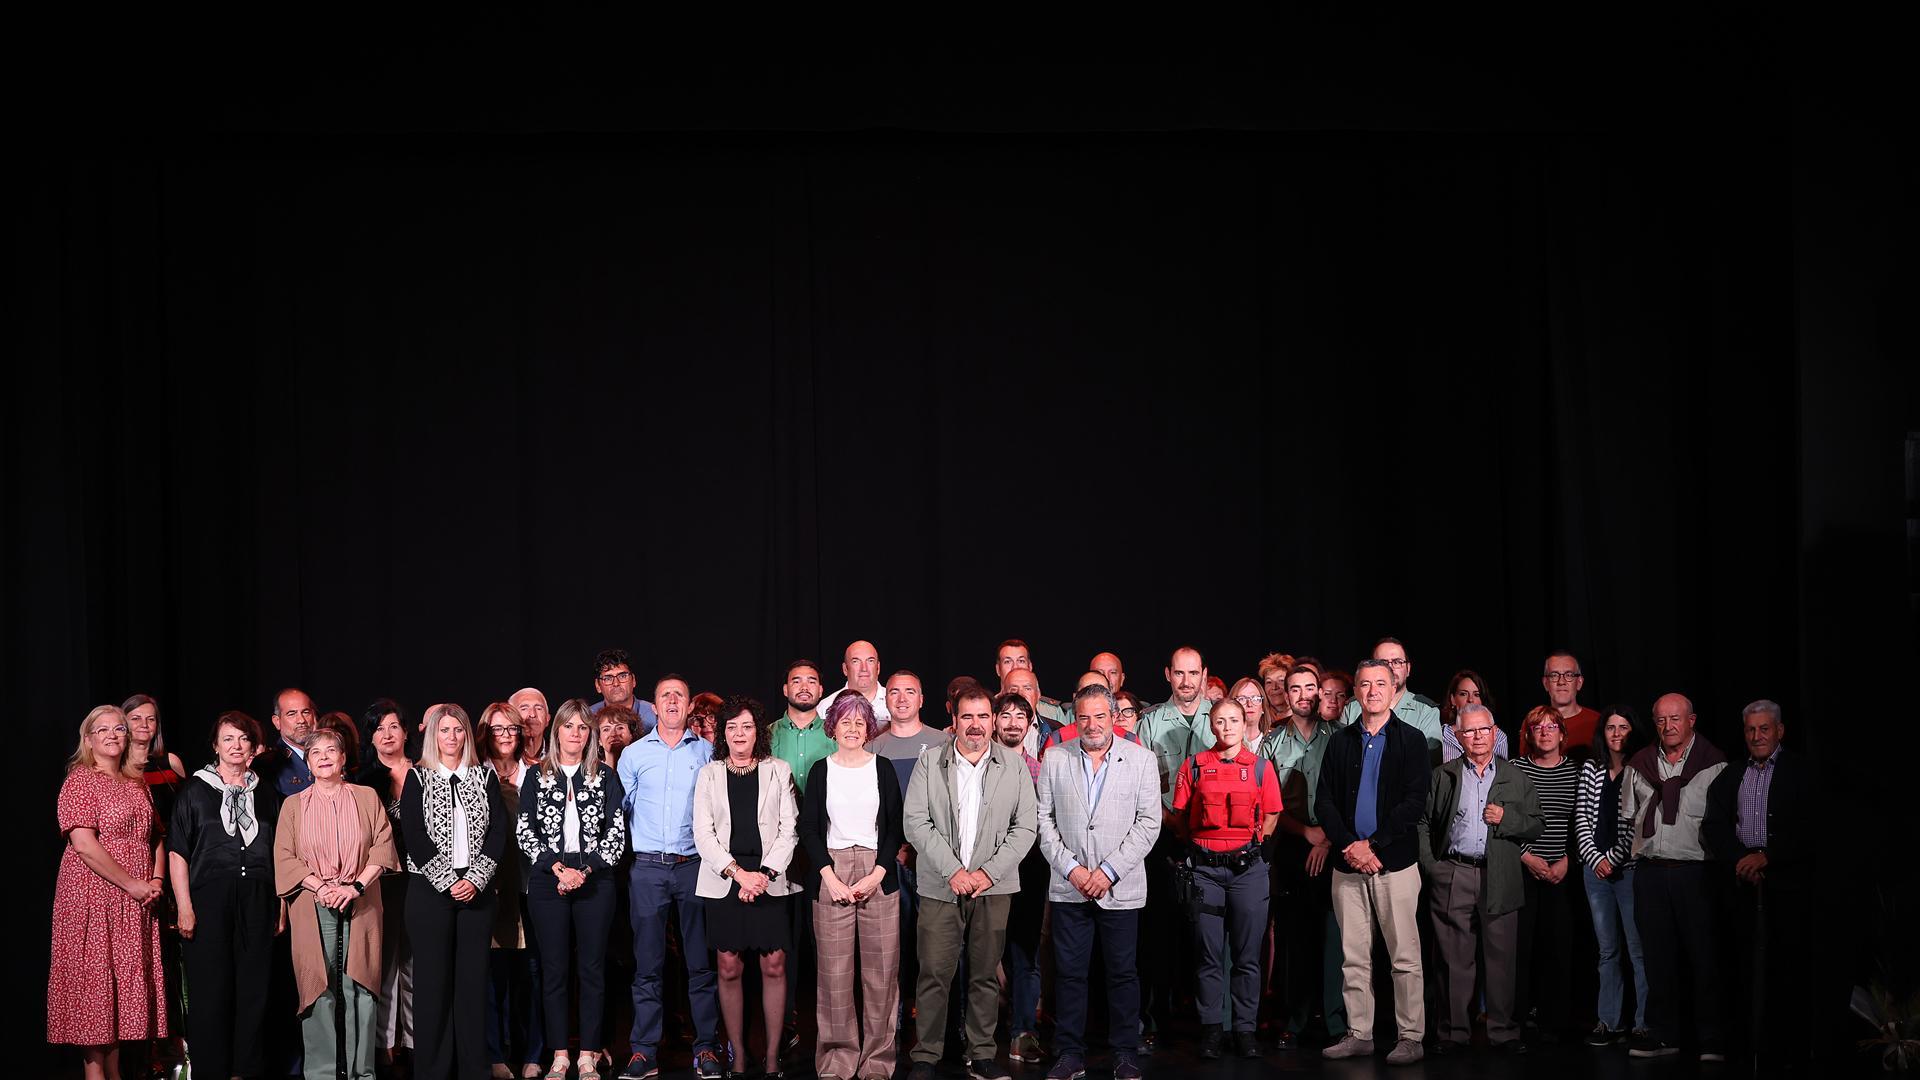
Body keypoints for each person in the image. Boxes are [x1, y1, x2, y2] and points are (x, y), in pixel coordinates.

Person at [901, 685, 1038, 1080]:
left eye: (982, 717)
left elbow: (1025, 828)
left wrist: (986, 873)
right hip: (940, 885)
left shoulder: (1012, 766)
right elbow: (916, 821)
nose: (975, 726)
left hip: (993, 888)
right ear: (955, 720)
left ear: (992, 721)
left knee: (984, 975)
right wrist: (954, 872)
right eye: (967, 717)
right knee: (933, 975)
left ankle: (981, 1054)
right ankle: (925, 1055)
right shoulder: (931, 763)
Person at [1035, 684, 1162, 1080]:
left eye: (1100, 716)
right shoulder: (1054, 758)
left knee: (1122, 973)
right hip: (1069, 886)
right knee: (1070, 975)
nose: (1092, 724)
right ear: (1075, 720)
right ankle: (1069, 1053)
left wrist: (1107, 872)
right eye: (1084, 716)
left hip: (1119, 888)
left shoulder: (1141, 760)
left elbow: (1148, 823)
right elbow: (1044, 822)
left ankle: (1124, 1052)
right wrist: (1073, 870)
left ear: (1113, 718)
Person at [1315, 658, 1430, 1065]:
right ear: (1357, 691)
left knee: (1404, 957)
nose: (1373, 691)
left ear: (1393, 686)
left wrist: (1374, 846)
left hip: (1394, 865)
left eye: (1380, 683)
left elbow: (1414, 803)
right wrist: (1350, 846)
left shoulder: (1412, 740)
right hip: (1348, 866)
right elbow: (1324, 801)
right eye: (1365, 684)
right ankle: (1359, 1033)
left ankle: (1411, 1036)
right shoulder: (1341, 741)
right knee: (1354, 956)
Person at [49, 705, 171, 1080]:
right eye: (102, 730)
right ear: (88, 739)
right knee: (95, 989)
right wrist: (133, 883)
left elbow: (156, 838)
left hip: (133, 901)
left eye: (119, 728)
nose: (114, 735)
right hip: (93, 897)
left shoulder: (135, 782)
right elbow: (84, 844)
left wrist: (156, 881)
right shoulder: (81, 779)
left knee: (117, 1004)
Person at [274, 726, 400, 1080]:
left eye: (331, 751)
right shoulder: (293, 805)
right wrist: (321, 887)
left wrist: (354, 886)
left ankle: (362, 1072)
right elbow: (284, 857)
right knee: (318, 985)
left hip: (361, 899)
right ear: (309, 762)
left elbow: (382, 846)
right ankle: (322, 1073)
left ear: (343, 758)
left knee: (360, 985)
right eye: (317, 753)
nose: (325, 758)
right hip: (313, 902)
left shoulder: (366, 797)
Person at [1418, 704, 1542, 1055]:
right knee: (1454, 960)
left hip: (1500, 875)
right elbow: (1423, 823)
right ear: (1458, 736)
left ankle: (1503, 1034)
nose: (1476, 737)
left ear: (1494, 732)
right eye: (1469, 731)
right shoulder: (1443, 774)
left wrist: (1506, 818)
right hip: (1454, 873)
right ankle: (1454, 1034)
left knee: (1502, 960)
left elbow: (1536, 823)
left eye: (1483, 730)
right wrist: (1434, 867)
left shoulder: (1515, 776)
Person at [617, 675, 724, 1080]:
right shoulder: (633, 754)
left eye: (680, 695)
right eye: (666, 696)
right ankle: (644, 1051)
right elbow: (619, 813)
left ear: (687, 705)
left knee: (700, 964)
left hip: (695, 866)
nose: (674, 701)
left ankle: (706, 1048)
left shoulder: (709, 753)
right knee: (647, 965)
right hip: (647, 867)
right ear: (655, 706)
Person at [517, 699, 628, 1080]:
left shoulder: (604, 777)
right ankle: (560, 1054)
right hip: (550, 882)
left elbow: (616, 834)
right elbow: (525, 832)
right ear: (556, 731)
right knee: (554, 971)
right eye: (569, 727)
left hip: (595, 881)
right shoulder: (536, 777)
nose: (576, 734)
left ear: (590, 735)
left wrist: (583, 871)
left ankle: (588, 1054)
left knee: (593, 969)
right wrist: (559, 869)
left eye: (583, 728)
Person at [169, 711, 283, 1080]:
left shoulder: (266, 792)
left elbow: (281, 851)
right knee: (211, 991)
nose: (236, 746)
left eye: (243, 739)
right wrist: (184, 906)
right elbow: (177, 853)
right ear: (216, 746)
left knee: (254, 991)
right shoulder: (195, 791)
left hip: (258, 898)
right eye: (228, 739)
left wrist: (281, 904)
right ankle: (211, 1070)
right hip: (208, 899)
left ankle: (245, 1070)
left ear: (253, 747)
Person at [1617, 693, 1729, 1062]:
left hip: (1695, 873)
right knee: (1657, 958)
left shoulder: (1714, 765)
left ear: (1691, 720)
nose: (1668, 727)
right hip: (1650, 872)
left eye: (1675, 719)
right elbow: (1628, 818)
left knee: (1703, 957)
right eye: (1661, 720)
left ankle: (1711, 1037)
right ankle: (1665, 1035)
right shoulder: (1640, 763)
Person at [1170, 697, 1283, 1059]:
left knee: (1247, 955)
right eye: (1220, 721)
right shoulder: (1195, 766)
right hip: (1204, 870)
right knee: (1208, 954)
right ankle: (1212, 1029)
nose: (1227, 727)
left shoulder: (1262, 768)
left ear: (1244, 720)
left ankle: (1245, 1030)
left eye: (1234, 720)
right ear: (1211, 725)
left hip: (1248, 871)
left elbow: (1271, 815)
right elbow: (1180, 817)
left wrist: (1252, 847)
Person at [799, 693, 905, 1080]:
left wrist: (878, 873)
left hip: (878, 870)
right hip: (832, 870)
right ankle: (837, 1059)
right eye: (846, 721)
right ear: (833, 726)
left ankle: (878, 1061)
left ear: (868, 728)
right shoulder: (820, 770)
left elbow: (895, 827)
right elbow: (808, 829)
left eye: (860, 722)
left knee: (881, 974)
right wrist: (829, 876)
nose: (853, 729)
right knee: (834, 975)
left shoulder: (883, 768)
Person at [402, 703, 510, 1080]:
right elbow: (413, 834)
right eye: (444, 730)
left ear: (467, 735)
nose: (451, 737)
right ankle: (432, 1071)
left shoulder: (484, 777)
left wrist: (476, 879)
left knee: (472, 984)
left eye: (458, 730)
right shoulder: (418, 778)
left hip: (477, 892)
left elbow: (498, 833)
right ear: (433, 736)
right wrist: (447, 879)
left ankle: (473, 1069)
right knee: (432, 984)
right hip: (430, 892)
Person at [692, 697, 798, 1080]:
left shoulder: (778, 770)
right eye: (732, 727)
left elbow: (790, 829)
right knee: (728, 966)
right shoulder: (709, 774)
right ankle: (736, 1054)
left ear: (759, 732)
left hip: (769, 876)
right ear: (723, 733)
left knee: (774, 964)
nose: (739, 734)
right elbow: (702, 834)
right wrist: (739, 874)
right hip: (726, 878)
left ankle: (771, 1058)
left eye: (747, 726)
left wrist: (763, 875)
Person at [1705, 699, 1814, 1067]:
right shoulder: (1733, 773)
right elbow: (1714, 825)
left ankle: (1786, 1049)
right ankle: (1744, 1046)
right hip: (1741, 885)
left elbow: (1811, 827)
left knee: (1787, 970)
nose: (1757, 736)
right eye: (1751, 730)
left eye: (1764, 729)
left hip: (1787, 885)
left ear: (1779, 731)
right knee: (1741, 968)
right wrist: (1740, 859)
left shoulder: (1801, 771)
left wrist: (1769, 857)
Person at [1259, 665, 1342, 1050]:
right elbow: (1268, 804)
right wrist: (1306, 833)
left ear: (1321, 692)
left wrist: (1325, 840)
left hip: (1336, 845)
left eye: (1312, 687)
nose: (1304, 694)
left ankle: (1335, 1020)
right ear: (1286, 695)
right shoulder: (1272, 743)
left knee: (1335, 937)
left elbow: (1349, 794)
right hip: (1292, 846)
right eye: (1295, 688)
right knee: (1293, 938)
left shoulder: (1341, 738)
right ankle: (1293, 1018)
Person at [868, 669, 947, 1030]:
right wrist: (895, 849)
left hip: (933, 858)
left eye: (909, 692)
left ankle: (938, 1024)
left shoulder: (941, 743)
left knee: (934, 946)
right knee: (891, 948)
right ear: (886, 700)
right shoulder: (873, 748)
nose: (901, 698)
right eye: (895, 692)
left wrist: (922, 847)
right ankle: (893, 1023)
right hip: (887, 861)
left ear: (921, 699)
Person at [1574, 705, 1649, 1046]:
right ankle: (1609, 1020)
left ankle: (1643, 1022)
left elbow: (1637, 823)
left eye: (1623, 727)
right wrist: (1596, 860)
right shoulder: (1591, 767)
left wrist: (1614, 859)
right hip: (1596, 873)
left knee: (1637, 949)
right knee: (1607, 951)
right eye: (1610, 728)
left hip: (1629, 871)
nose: (1617, 733)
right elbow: (1582, 820)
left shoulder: (1641, 767)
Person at [1512, 705, 1587, 1044]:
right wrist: (1526, 856)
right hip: (1522, 869)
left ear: (1562, 734)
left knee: (1559, 946)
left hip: (1562, 871)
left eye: (1551, 727)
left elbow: (1583, 824)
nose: (1544, 732)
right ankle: (1519, 1015)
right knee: (1521, 947)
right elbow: (1499, 823)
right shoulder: (1514, 769)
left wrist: (1568, 861)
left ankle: (1555, 1019)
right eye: (1537, 727)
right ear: (1528, 734)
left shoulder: (1575, 772)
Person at [123, 693, 188, 1076]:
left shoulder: (171, 763)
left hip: (173, 866)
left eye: (151, 719)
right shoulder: (116, 769)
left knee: (172, 961)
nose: (144, 726)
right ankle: (144, 1056)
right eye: (136, 719)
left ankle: (177, 1051)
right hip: (133, 869)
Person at [478, 704, 543, 1079]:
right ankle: (495, 1054)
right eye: (498, 728)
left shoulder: (535, 775)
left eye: (512, 729)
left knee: (532, 973)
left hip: (531, 887)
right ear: (485, 731)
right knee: (493, 974)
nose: (505, 735)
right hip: (491, 888)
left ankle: (532, 1053)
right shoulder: (474, 776)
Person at [355, 698, 417, 1074]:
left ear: (406, 732)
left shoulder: (425, 773)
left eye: (394, 726)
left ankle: (412, 1040)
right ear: (371, 736)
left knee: (415, 962)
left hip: (423, 879)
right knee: (384, 964)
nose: (387, 734)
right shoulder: (363, 780)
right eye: (379, 728)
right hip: (381, 879)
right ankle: (384, 1043)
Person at [992, 692, 1049, 1064]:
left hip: (1030, 869)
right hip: (988, 871)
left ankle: (1023, 1032)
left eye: (1020, 717)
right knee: (984, 953)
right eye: (1006, 715)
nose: (1013, 722)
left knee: (1026, 953)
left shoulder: (1041, 769)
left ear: (1030, 724)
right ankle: (980, 1034)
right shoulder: (978, 765)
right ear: (995, 720)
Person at [1337, 639, 1443, 758]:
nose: (1391, 668)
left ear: (1408, 669)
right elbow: (1341, 755)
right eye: (1383, 663)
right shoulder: (1353, 707)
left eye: (1397, 662)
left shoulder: (1426, 711)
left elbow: (1429, 763)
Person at [1532, 652, 1601, 755]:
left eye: (1569, 675)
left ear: (1579, 683)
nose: (1561, 682)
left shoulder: (1598, 722)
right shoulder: (1533, 722)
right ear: (1545, 683)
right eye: (1554, 675)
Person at [996, 639, 1072, 732]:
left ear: (1030, 666)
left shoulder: (1052, 711)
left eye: (1021, 661)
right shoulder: (988, 708)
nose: (1015, 667)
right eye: (1008, 661)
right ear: (998, 669)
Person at [1438, 670, 1509, 761]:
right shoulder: (1440, 735)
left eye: (1476, 694)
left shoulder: (1498, 736)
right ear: (1453, 699)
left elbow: (1502, 772)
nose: (1470, 700)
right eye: (1463, 694)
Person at [260, 687, 320, 796]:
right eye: (292, 714)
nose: (301, 720)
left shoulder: (330, 755)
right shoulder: (268, 765)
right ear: (277, 722)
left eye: (306, 712)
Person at [590, 648, 658, 734]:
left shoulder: (655, 716)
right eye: (608, 678)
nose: (616, 683)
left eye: (622, 676)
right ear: (598, 685)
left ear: (633, 680)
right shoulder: (588, 718)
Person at [818, 639, 887, 721]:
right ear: (845, 669)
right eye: (855, 661)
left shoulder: (897, 703)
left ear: (878, 667)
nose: (864, 668)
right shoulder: (826, 707)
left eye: (870, 661)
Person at [999, 667, 1055, 756]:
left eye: (1027, 688)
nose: (1021, 694)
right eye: (1013, 689)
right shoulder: (990, 731)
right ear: (1002, 694)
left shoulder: (1056, 730)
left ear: (1038, 694)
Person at [1225, 676, 1271, 755]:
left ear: (1263, 707)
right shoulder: (1224, 741)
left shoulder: (1275, 741)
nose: (1249, 704)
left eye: (1255, 699)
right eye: (1242, 699)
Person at [510, 689, 551, 767]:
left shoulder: (561, 756)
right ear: (510, 718)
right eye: (524, 709)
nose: (532, 714)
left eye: (539, 708)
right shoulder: (503, 757)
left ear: (547, 719)